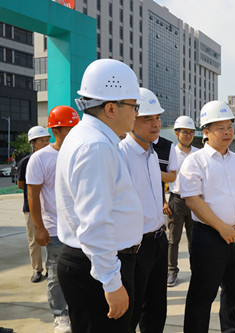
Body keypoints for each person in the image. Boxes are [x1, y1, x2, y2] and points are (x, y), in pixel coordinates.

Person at [55, 59, 144, 333]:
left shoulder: (91, 137)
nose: (136, 114)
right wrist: (111, 282)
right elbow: (95, 223)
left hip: (94, 263)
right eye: (134, 106)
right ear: (111, 108)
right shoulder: (95, 146)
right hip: (97, 269)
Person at [179, 101, 235, 333]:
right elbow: (193, 200)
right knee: (202, 294)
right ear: (206, 132)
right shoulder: (195, 161)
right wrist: (222, 228)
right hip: (209, 237)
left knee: (234, 292)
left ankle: (232, 330)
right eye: (220, 128)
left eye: (230, 127)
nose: (227, 133)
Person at [118, 87, 169, 332]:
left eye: (157, 118)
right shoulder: (121, 155)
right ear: (131, 120)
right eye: (147, 118)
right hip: (135, 248)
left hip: (159, 241)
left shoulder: (151, 155)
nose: (155, 124)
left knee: (157, 309)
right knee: (132, 311)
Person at [26, 105, 80, 333]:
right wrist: (39, 228)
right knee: (57, 274)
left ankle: (79, 310)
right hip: (56, 228)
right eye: (69, 129)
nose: (74, 133)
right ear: (56, 130)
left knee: (84, 273)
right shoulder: (40, 159)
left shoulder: (80, 152)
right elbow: (32, 194)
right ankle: (60, 315)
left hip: (82, 228)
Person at [166, 115, 198, 287]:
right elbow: (160, 177)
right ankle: (172, 271)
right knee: (173, 239)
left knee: (196, 239)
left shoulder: (197, 154)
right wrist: (164, 203)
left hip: (195, 202)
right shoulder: (170, 153)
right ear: (176, 133)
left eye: (191, 132)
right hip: (176, 201)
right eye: (184, 132)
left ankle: (197, 270)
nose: (188, 135)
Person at [17, 126, 50, 283]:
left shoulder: (53, 157)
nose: (45, 143)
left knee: (54, 238)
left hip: (50, 208)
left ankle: (51, 267)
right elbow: (20, 184)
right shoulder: (26, 162)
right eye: (42, 141)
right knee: (34, 240)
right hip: (31, 208)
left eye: (47, 140)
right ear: (33, 143)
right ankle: (37, 269)